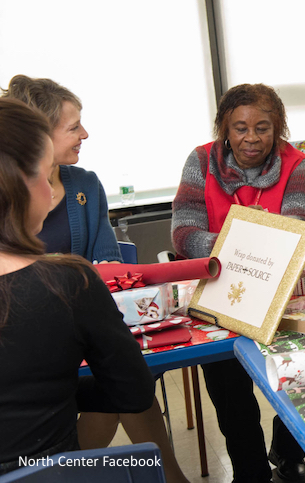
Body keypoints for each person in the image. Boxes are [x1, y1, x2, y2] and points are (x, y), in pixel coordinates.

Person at [3, 75, 189, 482]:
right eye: (40, 175)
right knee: (133, 440)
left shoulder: (84, 188)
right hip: (48, 469)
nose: (50, 194)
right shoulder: (69, 283)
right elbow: (132, 389)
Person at [172, 83, 305, 483]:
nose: (251, 138)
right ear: (224, 127)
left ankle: (287, 452)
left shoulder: (298, 165)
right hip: (218, 294)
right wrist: (249, 247)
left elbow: (297, 230)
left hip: (282, 293)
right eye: (239, 128)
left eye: (262, 128)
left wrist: (227, 244)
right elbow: (183, 234)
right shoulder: (200, 162)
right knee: (227, 386)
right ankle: (250, 472)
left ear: (278, 128)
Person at [1, 75, 122, 263]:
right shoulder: (6, 193)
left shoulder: (86, 184)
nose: (85, 134)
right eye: (74, 128)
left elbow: (110, 263)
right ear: (40, 135)